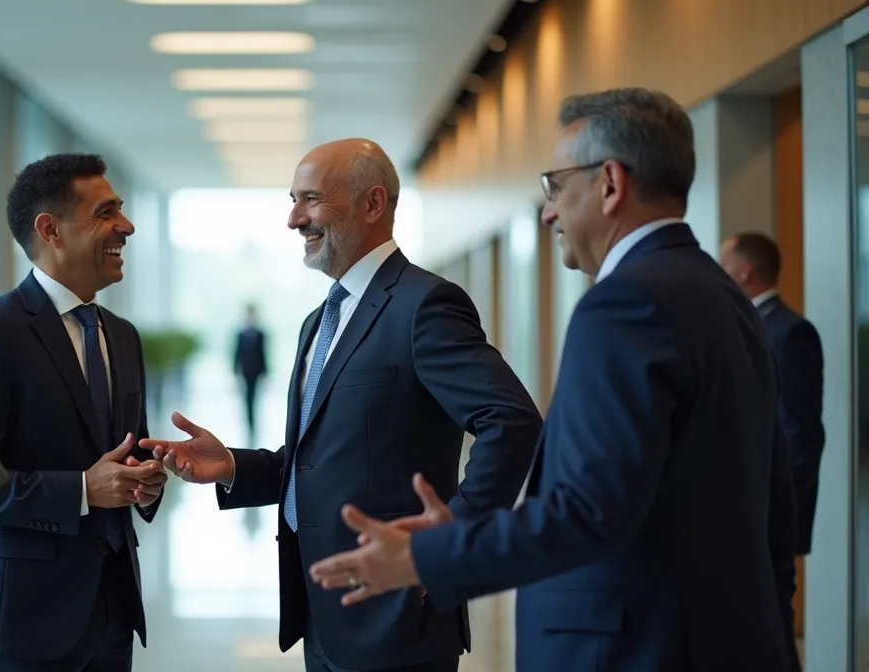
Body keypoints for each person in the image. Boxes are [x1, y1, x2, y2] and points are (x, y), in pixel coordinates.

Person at [308, 89, 802, 672]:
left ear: (610, 184)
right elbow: (774, 499)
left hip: (634, 648)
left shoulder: (625, 304)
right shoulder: (728, 298)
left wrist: (435, 554)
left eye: (557, 187)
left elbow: (588, 512)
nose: (549, 212)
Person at [141, 138, 542, 672]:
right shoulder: (318, 322)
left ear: (372, 204)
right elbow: (325, 453)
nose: (292, 219)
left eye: (310, 199)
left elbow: (511, 421)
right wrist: (236, 466)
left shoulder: (425, 305)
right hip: (322, 610)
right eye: (292, 199)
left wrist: (449, 547)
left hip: (396, 611)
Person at [0, 153, 167, 672]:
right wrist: (83, 489)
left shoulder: (123, 336)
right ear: (50, 230)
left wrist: (146, 479)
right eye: (106, 213)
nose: (125, 227)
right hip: (25, 617)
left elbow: (126, 456)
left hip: (113, 609)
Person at [721, 231, 825, 556]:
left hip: (769, 514)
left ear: (745, 270)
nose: (716, 272)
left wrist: (775, 512)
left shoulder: (790, 333)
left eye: (722, 264)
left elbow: (799, 433)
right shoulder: (750, 323)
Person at [233, 303, 268, 442]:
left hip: (257, 372)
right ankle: (248, 424)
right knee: (247, 399)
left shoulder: (261, 334)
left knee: (254, 398)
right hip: (245, 372)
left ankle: (254, 425)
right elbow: (236, 353)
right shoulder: (240, 334)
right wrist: (235, 370)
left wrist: (266, 372)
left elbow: (264, 354)